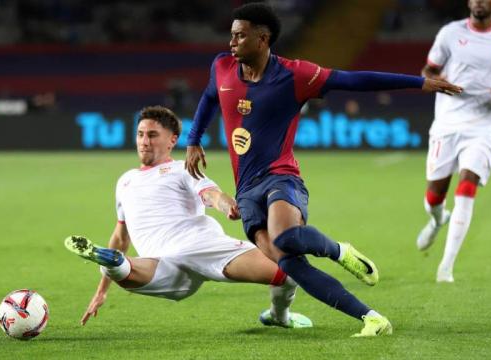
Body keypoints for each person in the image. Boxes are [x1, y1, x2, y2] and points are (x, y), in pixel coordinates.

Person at [184, 3, 463, 336]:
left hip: (280, 177)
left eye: (240, 36)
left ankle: (338, 250)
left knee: (285, 237)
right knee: (288, 263)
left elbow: (354, 81)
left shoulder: (295, 75)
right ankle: (372, 318)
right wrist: (193, 139)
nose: (232, 42)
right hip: (245, 191)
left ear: (263, 38)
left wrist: (419, 83)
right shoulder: (222, 67)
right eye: (231, 35)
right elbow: (209, 96)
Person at [65, 105, 312, 329]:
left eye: (152, 135)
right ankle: (280, 315)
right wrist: (101, 291)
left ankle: (115, 265)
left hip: (197, 246)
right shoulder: (125, 181)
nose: (144, 141)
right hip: (164, 259)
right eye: (140, 134)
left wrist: (225, 204)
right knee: (290, 272)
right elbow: (120, 236)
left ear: (172, 140)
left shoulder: (183, 168)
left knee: (126, 271)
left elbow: (210, 194)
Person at [416, 0, 491, 282]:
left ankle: (446, 266)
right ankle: (437, 218)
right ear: (469, 3)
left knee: (467, 185)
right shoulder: (450, 33)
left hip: (485, 125)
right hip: (448, 122)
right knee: (435, 196)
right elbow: (426, 71)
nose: (479, 2)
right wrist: (435, 79)